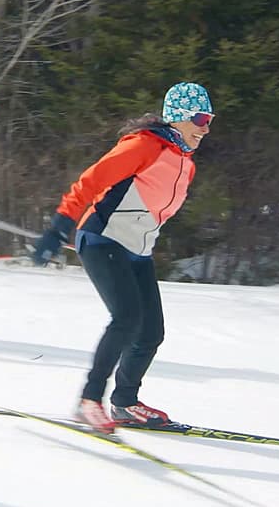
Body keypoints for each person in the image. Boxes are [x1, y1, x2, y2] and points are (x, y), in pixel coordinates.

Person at [31, 82, 214, 433]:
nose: (206, 127)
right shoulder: (144, 145)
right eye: (201, 118)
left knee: (151, 333)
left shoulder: (185, 164)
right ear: (178, 118)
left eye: (210, 119)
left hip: (137, 251)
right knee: (126, 318)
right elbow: (90, 181)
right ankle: (89, 400)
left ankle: (126, 403)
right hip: (103, 240)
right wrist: (58, 228)